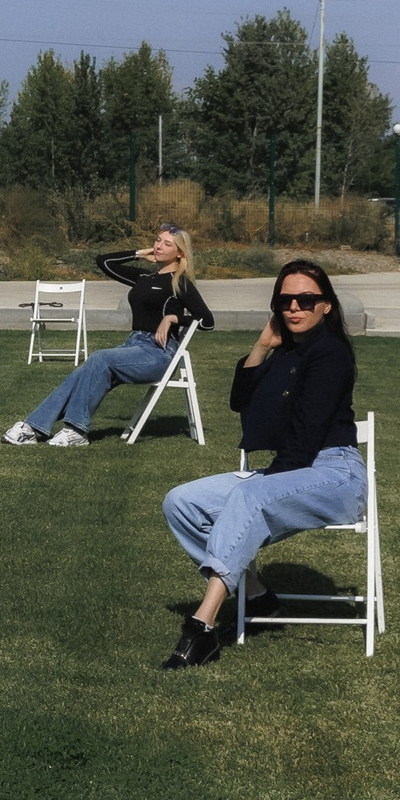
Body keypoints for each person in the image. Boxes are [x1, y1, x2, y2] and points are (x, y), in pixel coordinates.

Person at [157, 259, 365, 670]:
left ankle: (202, 625)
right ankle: (256, 596)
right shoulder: (286, 351)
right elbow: (241, 401)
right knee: (180, 502)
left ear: (326, 305)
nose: (294, 307)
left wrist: (258, 490)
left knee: (249, 494)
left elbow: (306, 437)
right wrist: (262, 346)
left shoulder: (330, 354)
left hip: (336, 474)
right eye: (285, 300)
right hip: (293, 469)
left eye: (306, 299)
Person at [4, 225, 213, 447]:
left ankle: (76, 430)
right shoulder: (144, 276)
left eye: (167, 244)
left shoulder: (179, 282)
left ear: (180, 253)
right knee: (82, 372)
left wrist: (172, 318)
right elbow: (103, 262)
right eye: (157, 240)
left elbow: (207, 321)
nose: (158, 246)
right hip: (133, 345)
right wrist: (139, 254)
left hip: (159, 354)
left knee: (99, 358)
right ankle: (33, 427)